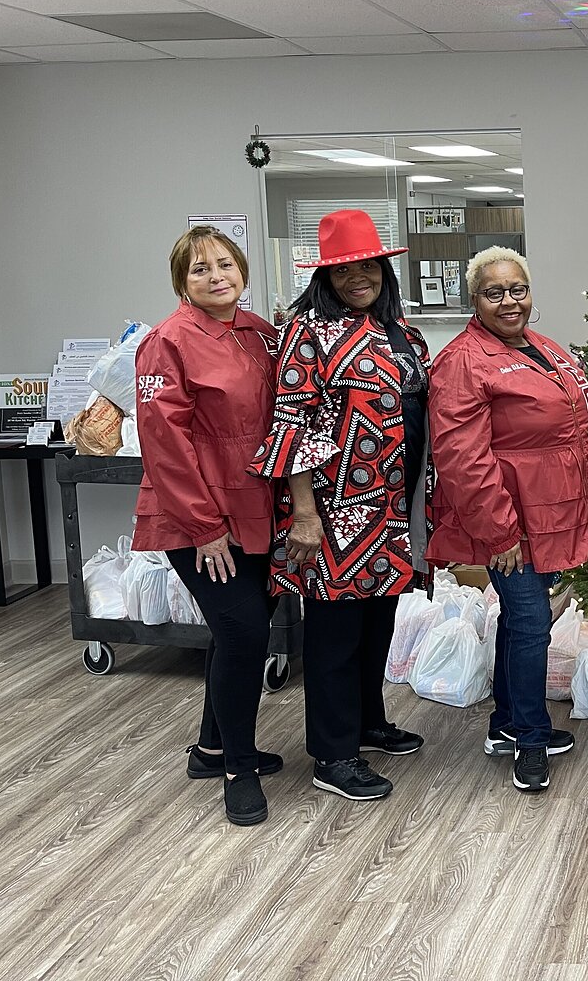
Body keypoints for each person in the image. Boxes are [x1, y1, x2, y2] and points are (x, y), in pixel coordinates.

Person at [251, 209, 432, 803]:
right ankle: (333, 753)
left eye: (368, 266)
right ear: (325, 277)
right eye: (344, 269)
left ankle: (367, 722)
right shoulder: (307, 330)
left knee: (378, 623)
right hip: (334, 507)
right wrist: (303, 513)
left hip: (391, 504)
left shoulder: (401, 330)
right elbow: (292, 422)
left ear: (383, 268)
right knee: (334, 635)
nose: (359, 277)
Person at [426, 247, 588, 794]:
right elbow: (462, 457)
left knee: (521, 620)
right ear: (474, 299)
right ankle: (530, 740)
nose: (509, 301)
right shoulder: (463, 361)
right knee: (530, 623)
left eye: (518, 289)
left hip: (552, 510)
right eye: (494, 292)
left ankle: (506, 723)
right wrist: (499, 530)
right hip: (512, 519)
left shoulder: (541, 345)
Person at [132, 225, 281, 826]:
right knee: (245, 634)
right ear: (181, 282)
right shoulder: (167, 342)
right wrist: (204, 527)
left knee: (238, 630)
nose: (216, 276)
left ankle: (211, 747)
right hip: (196, 518)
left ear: (242, 271)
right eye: (200, 269)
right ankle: (238, 769)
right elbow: (164, 444)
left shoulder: (260, 334)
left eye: (225, 264)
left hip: (257, 509)